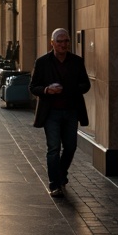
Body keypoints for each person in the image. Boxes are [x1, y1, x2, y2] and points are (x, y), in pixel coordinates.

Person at [30, 28, 91, 197]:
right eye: (60, 41)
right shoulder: (42, 62)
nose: (64, 44)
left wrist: (70, 89)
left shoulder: (77, 61)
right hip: (51, 113)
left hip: (71, 111)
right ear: (52, 43)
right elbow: (33, 87)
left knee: (71, 147)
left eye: (66, 41)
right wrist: (47, 90)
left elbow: (85, 85)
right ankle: (54, 184)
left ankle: (61, 173)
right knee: (54, 148)